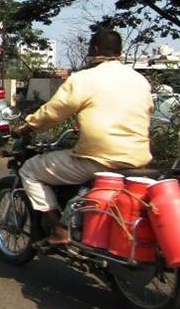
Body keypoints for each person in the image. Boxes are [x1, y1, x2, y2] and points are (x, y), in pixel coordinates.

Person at [12, 28, 153, 244]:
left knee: (30, 170)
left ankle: (59, 229)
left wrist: (28, 126)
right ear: (119, 51)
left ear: (94, 49)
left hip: (99, 158)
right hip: (138, 159)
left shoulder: (84, 78)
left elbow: (53, 112)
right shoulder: (139, 80)